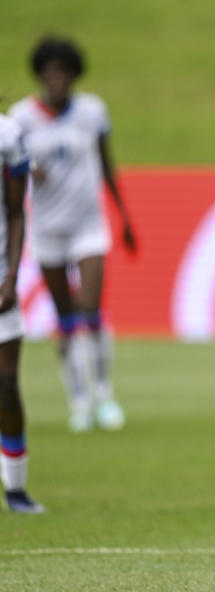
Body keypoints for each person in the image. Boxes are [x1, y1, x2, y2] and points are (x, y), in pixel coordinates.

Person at [9, 36, 136, 432]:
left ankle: (104, 394)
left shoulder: (92, 111)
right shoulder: (21, 119)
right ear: (41, 74)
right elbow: (11, 169)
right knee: (64, 318)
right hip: (46, 228)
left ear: (74, 74)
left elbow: (106, 163)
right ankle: (77, 400)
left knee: (91, 309)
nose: (57, 79)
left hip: (87, 225)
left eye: (64, 71)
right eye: (51, 71)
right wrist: (29, 170)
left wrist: (125, 215)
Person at [0, 113, 44, 513]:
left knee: (7, 384)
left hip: (0, 281)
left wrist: (12, 275)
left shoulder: (8, 134)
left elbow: (16, 211)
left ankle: (15, 489)